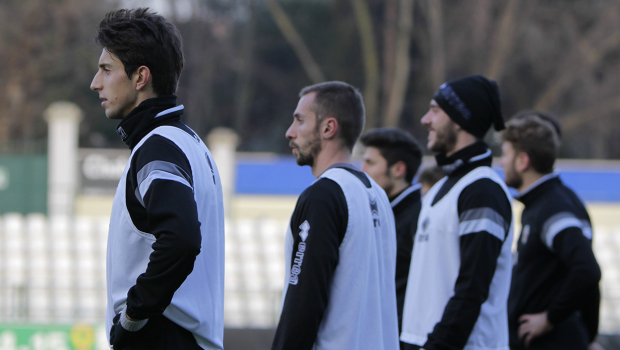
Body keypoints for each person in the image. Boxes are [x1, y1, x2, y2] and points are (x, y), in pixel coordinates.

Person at [91, 8, 224, 350]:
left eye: (107, 69)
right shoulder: (191, 142)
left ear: (140, 78)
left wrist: (133, 316)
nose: (96, 82)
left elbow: (181, 238)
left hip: (162, 337)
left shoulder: (158, 146)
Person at [271, 81, 399, 350]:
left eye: (300, 121)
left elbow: (304, 301)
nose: (289, 132)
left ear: (328, 128)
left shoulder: (324, 196)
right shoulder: (378, 195)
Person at [400, 75, 514, 350]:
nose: (425, 119)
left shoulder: (482, 190)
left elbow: (472, 288)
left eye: (435, 111)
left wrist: (437, 345)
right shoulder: (443, 186)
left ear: (461, 119)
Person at [499, 112, 601, 350]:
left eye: (505, 154)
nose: (501, 162)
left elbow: (587, 269)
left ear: (523, 161)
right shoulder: (546, 202)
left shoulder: (552, 207)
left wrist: (550, 318)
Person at [359, 127, 423, 337]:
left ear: (398, 170)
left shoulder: (420, 217)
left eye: (370, 162)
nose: (362, 169)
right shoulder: (380, 213)